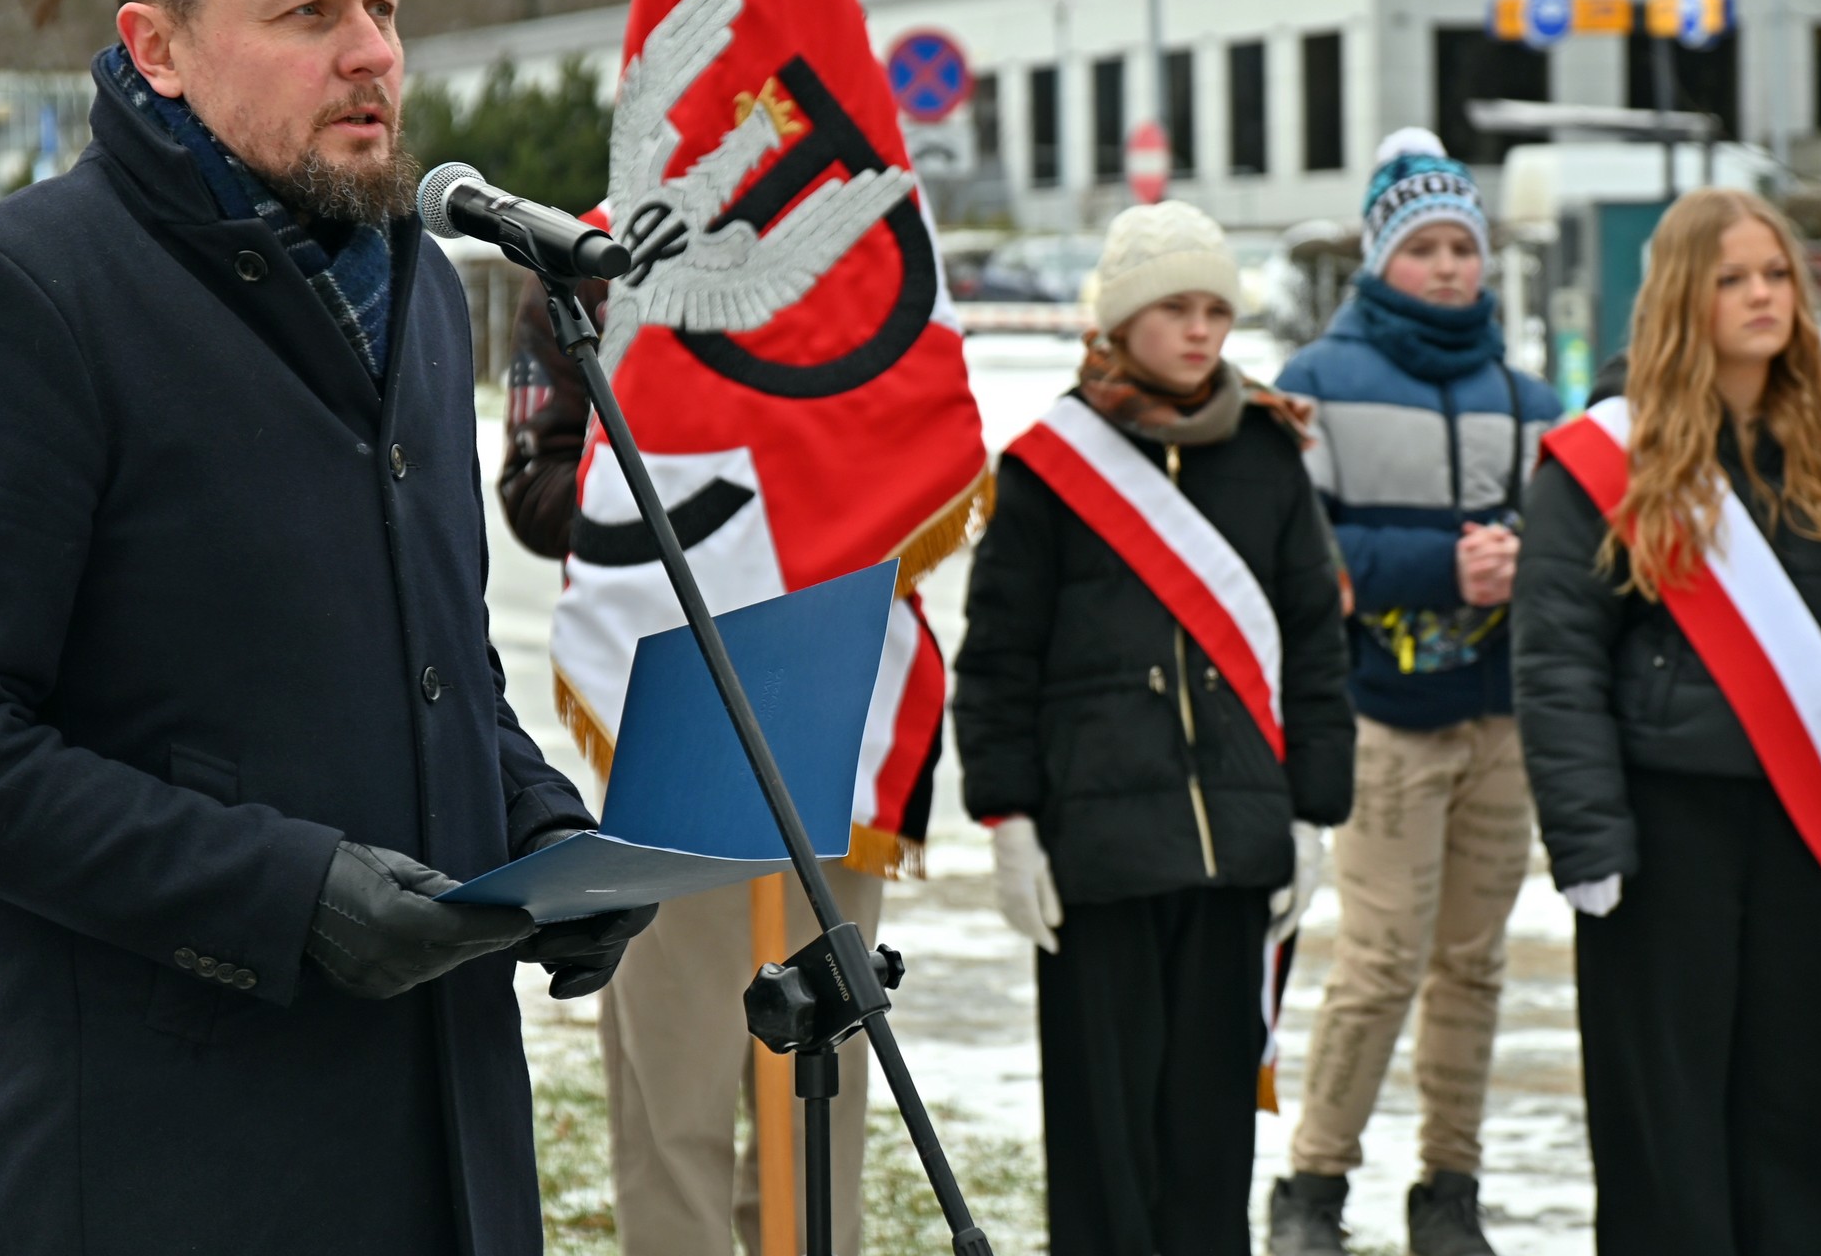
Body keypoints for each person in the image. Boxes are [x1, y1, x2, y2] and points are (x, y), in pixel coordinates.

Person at [0, 0, 652, 1256]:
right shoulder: (19, 296)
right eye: (310, 15)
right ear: (155, 49)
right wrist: (283, 896)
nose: (370, 55)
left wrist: (533, 826)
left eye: (385, 10)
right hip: (172, 1156)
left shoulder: (412, 282)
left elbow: (435, 657)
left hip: (442, 1144)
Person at [1513, 188, 1821, 1255]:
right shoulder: (1604, 461)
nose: (1763, 296)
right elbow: (1557, 662)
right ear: (1683, 296)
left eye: (1775, 276)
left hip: (1810, 831)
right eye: (1733, 279)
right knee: (1665, 1116)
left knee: (1804, 1109)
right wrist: (1587, 838)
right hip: (1665, 833)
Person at [955, 199, 1355, 1256]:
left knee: (1210, 1138)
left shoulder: (1271, 452)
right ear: (1121, 319)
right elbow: (998, 658)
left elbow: (1316, 645)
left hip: (1235, 850)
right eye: (1174, 306)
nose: (1200, 329)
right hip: (1097, 854)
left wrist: (1311, 813)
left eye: (1216, 308)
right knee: (1102, 1140)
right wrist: (1008, 816)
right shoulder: (1047, 467)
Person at [496, 271, 894, 1256]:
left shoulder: (842, 249)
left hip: (826, 698)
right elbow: (532, 483)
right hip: (671, 720)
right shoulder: (573, 266)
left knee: (824, 1079)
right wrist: (686, 496)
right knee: (675, 1088)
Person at [1264, 132, 1561, 1256]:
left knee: (1473, 963)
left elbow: (1571, 541)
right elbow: (1299, 554)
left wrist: (1523, 557)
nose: (1446, 268)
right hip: (1381, 720)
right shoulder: (1316, 386)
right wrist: (1441, 566)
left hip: (1501, 721)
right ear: (1380, 257)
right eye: (1423, 248)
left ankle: (1451, 1188)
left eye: (1462, 248)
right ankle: (1311, 1186)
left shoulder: (1531, 397)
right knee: (1382, 958)